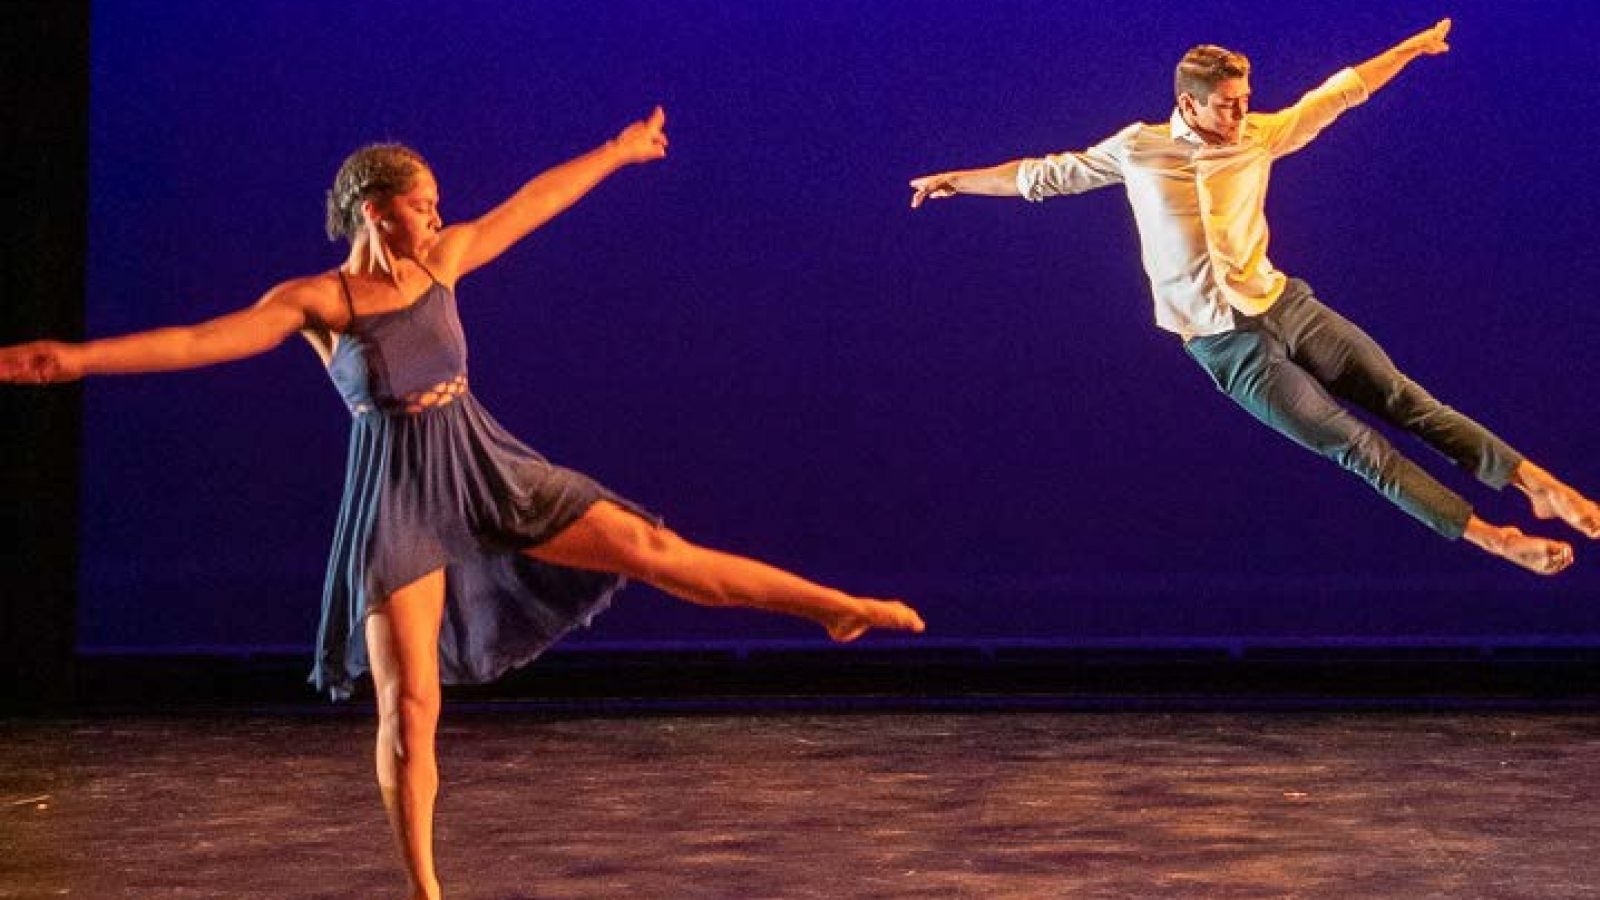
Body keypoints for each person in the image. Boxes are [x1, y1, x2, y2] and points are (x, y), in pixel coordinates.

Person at [1, 107, 924, 900]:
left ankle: (832, 607)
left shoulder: (444, 261)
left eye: (437, 200)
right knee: (409, 709)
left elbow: (533, 202)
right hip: (398, 498)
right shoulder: (318, 301)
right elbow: (201, 339)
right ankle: (425, 889)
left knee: (656, 549)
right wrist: (73, 360)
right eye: (422, 200)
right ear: (375, 209)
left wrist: (617, 150)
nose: (438, 210)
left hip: (484, 464)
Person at [909, 19, 1598, 575]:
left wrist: (1412, 50)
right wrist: (955, 180)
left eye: (1246, 98)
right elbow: (1040, 176)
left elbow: (1338, 94)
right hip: (1224, 343)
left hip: (1285, 304)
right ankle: (1495, 539)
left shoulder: (1261, 134)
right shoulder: (1138, 149)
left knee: (1406, 401)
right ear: (1189, 103)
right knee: (1356, 446)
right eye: (1229, 103)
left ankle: (1536, 481)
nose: (1243, 113)